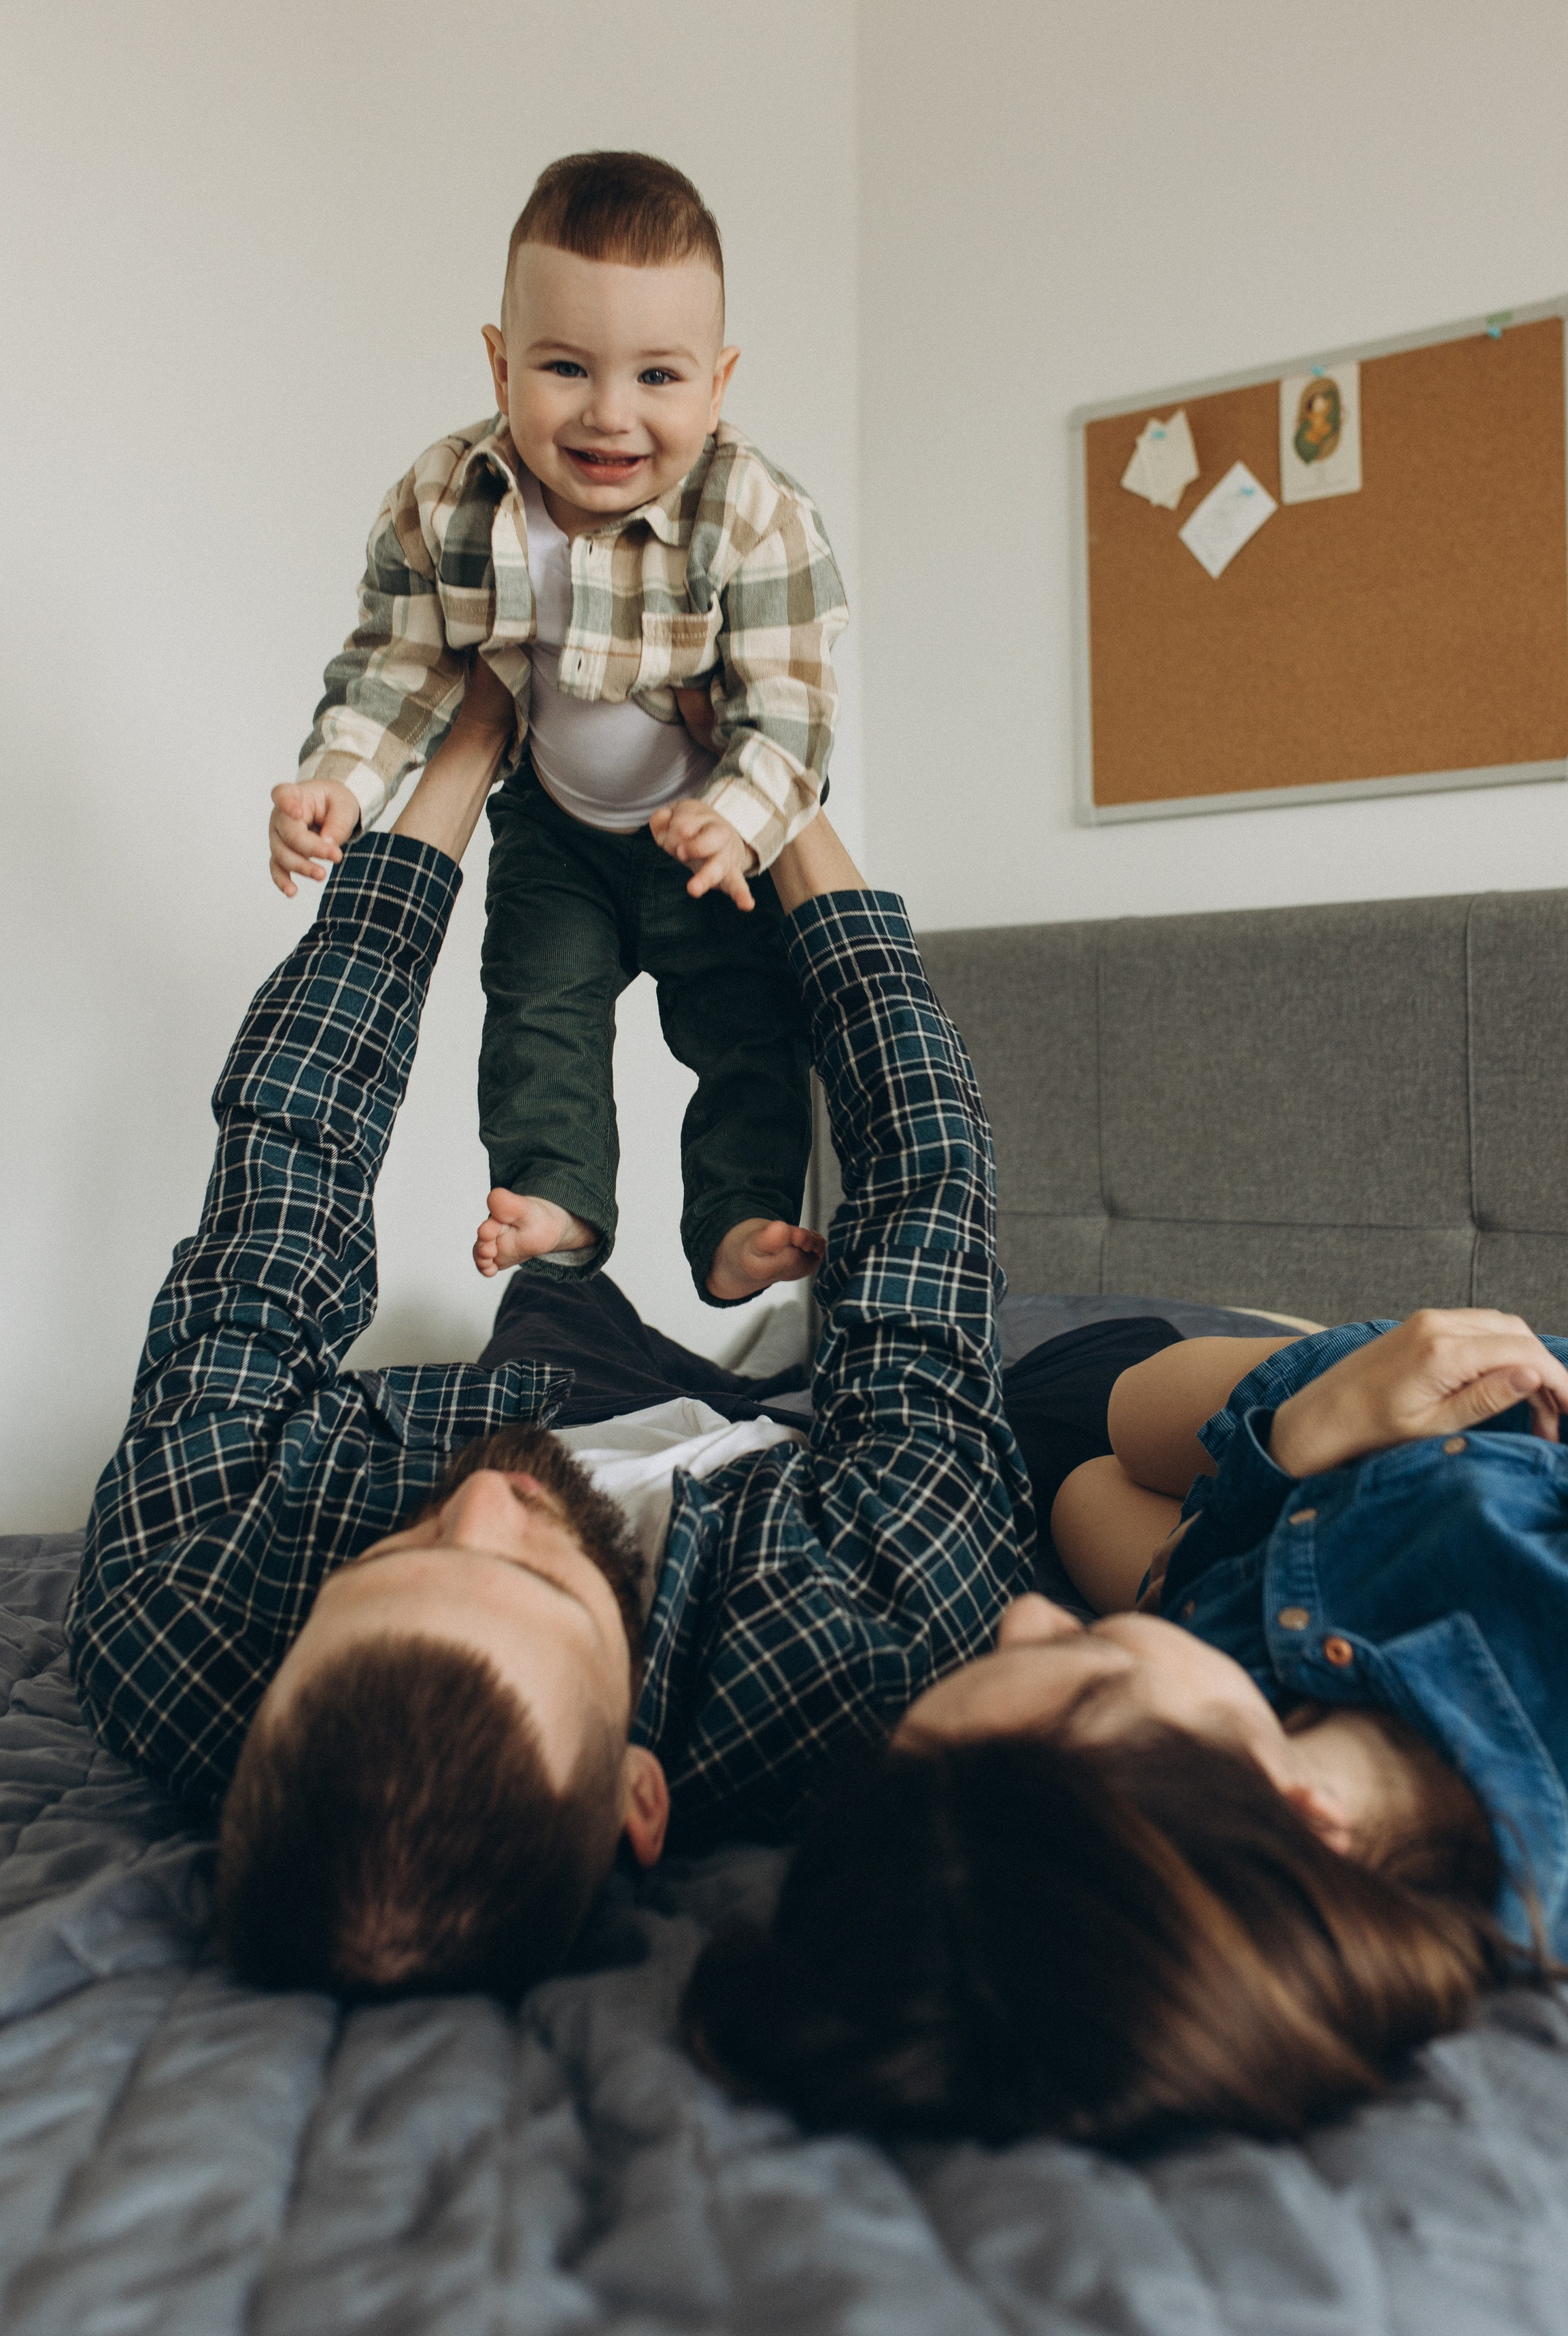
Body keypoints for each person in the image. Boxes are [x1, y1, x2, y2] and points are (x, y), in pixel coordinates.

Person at [67, 660, 1032, 2001]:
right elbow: (924, 1178)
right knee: (1024, 1368)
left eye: (389, 1557)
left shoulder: (176, 1599)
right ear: (641, 1792)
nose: (480, 1503)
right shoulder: (862, 1636)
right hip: (764, 1453)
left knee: (549, 1298)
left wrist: (467, 744)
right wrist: (782, 794)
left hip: (537, 1368)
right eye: (532, 1580)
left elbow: (291, 1153)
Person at [686, 1306, 1568, 2149]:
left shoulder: (1245, 1800)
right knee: (1104, 1457)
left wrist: (1289, 1451)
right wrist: (1397, 1395)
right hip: (1439, 1494)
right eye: (1086, 1669)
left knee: (1105, 1455)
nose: (1024, 1615)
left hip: (1283, 1567)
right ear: (1294, 1809)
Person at [266, 150, 847, 1308]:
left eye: (658, 375)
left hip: (703, 830)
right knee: (537, 1010)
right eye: (567, 366)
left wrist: (737, 819)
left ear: (718, 383)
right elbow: (398, 662)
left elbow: (792, 706)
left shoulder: (752, 511)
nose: (609, 414)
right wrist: (340, 781)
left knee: (747, 1026)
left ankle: (739, 1215)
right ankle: (557, 1198)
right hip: (555, 827)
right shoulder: (449, 496)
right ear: (502, 361)